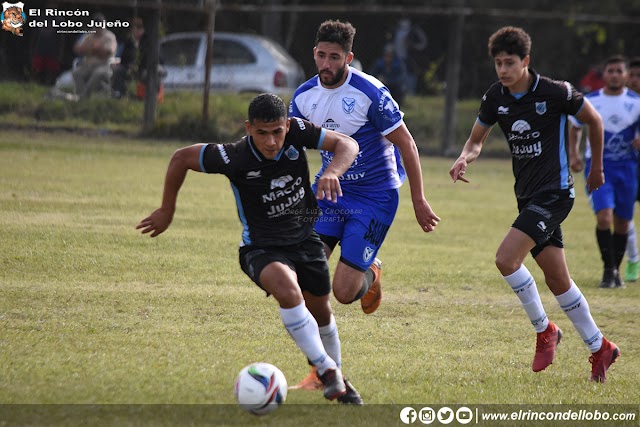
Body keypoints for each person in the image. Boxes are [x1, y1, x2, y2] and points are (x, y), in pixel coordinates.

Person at [136, 93, 364, 404]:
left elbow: (347, 145)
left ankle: (337, 379)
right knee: (288, 291)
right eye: (262, 133)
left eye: (277, 132)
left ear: (286, 125)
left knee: (321, 311)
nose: (271, 141)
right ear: (248, 128)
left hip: (305, 240)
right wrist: (166, 210)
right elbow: (181, 158)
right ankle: (326, 369)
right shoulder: (233, 157)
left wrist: (332, 172)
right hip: (261, 247)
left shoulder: (298, 131)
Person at [449, 26, 619, 382]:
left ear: (525, 61)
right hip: (527, 197)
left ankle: (545, 330)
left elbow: (594, 120)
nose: (503, 70)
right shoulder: (495, 97)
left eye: (509, 62)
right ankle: (599, 346)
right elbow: (475, 140)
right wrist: (466, 156)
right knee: (559, 280)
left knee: (506, 259)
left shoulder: (556, 92)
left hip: (555, 194)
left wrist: (597, 166)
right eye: (498, 63)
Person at [289, 19, 440, 390]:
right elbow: (291, 151)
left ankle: (371, 272)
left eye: (334, 57)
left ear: (349, 58)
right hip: (328, 195)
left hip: (375, 197)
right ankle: (322, 369)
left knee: (342, 293)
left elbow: (406, 143)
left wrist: (418, 199)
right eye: (321, 55)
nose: (326, 64)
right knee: (304, 280)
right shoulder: (303, 96)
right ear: (314, 54)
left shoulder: (370, 92)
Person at [569, 55, 640, 289]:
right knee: (604, 217)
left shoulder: (636, 102)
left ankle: (615, 271)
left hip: (628, 168)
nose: (614, 75)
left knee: (622, 222)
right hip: (598, 167)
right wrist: (574, 155)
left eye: (619, 71)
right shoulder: (591, 101)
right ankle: (608, 270)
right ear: (604, 74)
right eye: (610, 71)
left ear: (626, 75)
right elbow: (575, 127)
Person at [71, 13, 117, 99]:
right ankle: (82, 97)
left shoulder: (109, 37)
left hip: (104, 65)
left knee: (97, 74)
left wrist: (92, 50)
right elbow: (77, 48)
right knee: (76, 73)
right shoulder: (89, 36)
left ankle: (83, 97)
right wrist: (92, 50)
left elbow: (107, 52)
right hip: (88, 65)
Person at [623, 57, 640, 282]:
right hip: (627, 167)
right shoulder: (624, 103)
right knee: (623, 215)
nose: (635, 81)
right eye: (632, 75)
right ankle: (633, 259)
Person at [111, 16, 145, 98]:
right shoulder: (128, 42)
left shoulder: (146, 43)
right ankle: (119, 93)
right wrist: (128, 65)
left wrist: (139, 65)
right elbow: (123, 57)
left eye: (139, 28)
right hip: (128, 67)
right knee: (118, 71)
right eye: (134, 28)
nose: (136, 30)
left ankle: (142, 95)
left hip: (143, 67)